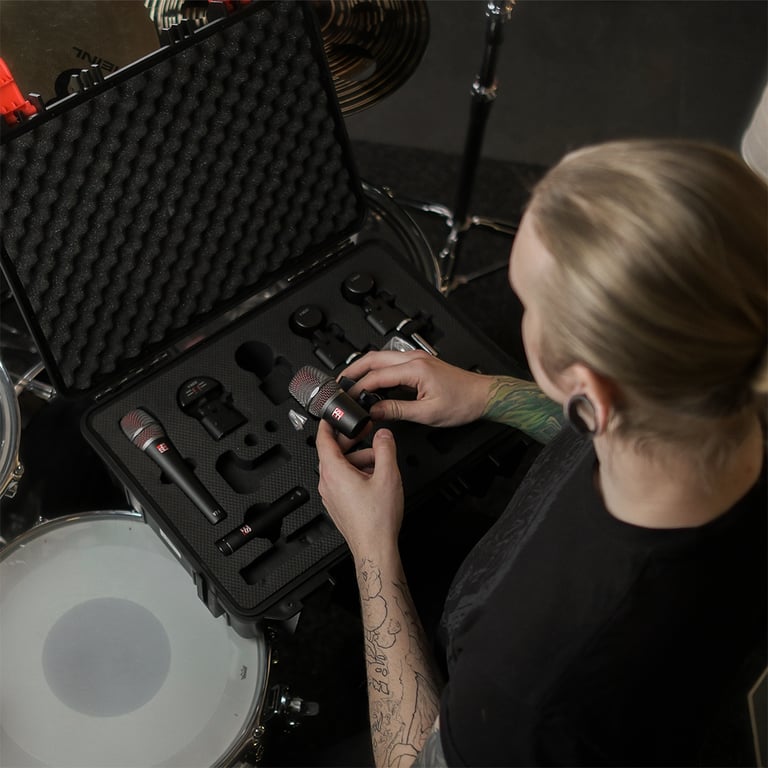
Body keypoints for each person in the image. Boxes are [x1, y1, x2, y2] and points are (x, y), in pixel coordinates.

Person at [315, 139, 767, 767]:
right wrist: (489, 394)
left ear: (592, 392)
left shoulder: (536, 680)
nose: (521, 318)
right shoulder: (731, 380)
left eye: (526, 305)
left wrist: (371, 547)